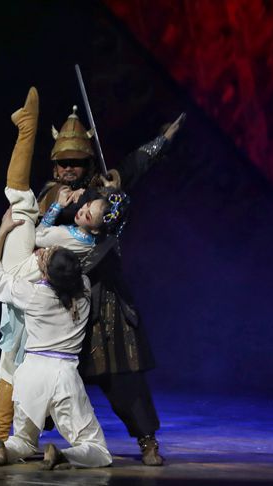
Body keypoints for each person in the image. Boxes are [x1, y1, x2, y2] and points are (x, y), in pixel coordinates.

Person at [34, 106, 185, 466]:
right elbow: (47, 224)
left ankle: (147, 440)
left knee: (124, 376)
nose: (69, 169)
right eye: (63, 163)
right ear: (54, 166)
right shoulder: (49, 196)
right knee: (44, 375)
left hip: (104, 299)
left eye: (76, 163)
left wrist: (162, 141)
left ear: (88, 164)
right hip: (60, 303)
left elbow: (133, 167)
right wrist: (72, 203)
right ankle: (23, 437)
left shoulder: (102, 192)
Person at [0, 87, 129, 465]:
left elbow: (12, 261)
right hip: (58, 356)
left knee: (10, 361)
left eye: (88, 212)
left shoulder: (69, 244)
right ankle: (27, 445)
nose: (82, 210)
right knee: (93, 445)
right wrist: (113, 200)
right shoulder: (81, 287)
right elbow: (104, 232)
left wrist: (5, 234)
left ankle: (4, 441)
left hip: (29, 282)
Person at [0, 206, 112, 469]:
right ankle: (63, 455)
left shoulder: (34, 295)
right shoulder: (84, 289)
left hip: (30, 376)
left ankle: (6, 450)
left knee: (24, 440)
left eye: (46, 255)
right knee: (98, 450)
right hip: (63, 377)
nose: (43, 252)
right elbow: (74, 272)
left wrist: (3, 232)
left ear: (47, 274)